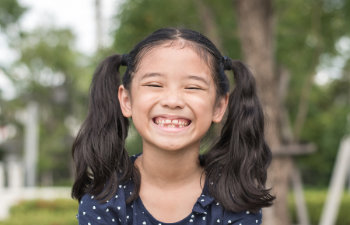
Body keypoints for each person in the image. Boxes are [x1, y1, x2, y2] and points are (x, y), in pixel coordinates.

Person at [72, 27, 274, 225]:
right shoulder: (104, 200)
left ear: (219, 106)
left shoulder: (234, 199)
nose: (172, 100)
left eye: (193, 87)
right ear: (126, 100)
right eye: (154, 85)